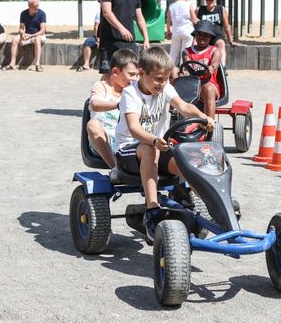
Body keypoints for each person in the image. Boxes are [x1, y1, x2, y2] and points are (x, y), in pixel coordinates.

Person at [114, 46, 214, 243]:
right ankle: (152, 210)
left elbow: (184, 107)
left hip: (159, 147)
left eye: (166, 79)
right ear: (142, 73)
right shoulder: (130, 94)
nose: (162, 84)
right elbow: (134, 128)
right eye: (158, 79)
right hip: (129, 151)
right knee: (150, 149)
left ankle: (211, 203)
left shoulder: (166, 88)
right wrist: (153, 140)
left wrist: (204, 117)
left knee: (185, 158)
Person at [88, 49, 139, 168]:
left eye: (137, 75)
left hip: (129, 140)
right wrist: (120, 104)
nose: (135, 79)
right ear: (115, 72)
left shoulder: (135, 91)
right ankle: (115, 169)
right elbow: (94, 105)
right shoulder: (101, 86)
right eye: (131, 74)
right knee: (92, 124)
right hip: (105, 141)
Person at [97, 0, 150, 74]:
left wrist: (146, 39)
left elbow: (140, 19)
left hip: (129, 43)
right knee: (109, 75)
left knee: (133, 73)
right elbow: (107, 12)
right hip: (110, 42)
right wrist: (121, 29)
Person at [180, 20, 221, 120]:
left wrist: (212, 67)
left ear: (210, 37)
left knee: (208, 89)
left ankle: (209, 124)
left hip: (208, 83)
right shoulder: (187, 52)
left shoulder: (214, 51)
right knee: (176, 76)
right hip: (192, 85)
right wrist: (184, 72)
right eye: (200, 34)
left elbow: (215, 62)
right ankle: (176, 118)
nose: (202, 37)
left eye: (206, 35)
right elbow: (187, 64)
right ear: (195, 36)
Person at [2, 0, 46, 72]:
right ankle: (12, 64)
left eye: (38, 5)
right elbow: (21, 28)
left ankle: (37, 64)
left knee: (37, 39)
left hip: (38, 35)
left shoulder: (42, 13)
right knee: (15, 39)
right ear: (29, 6)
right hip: (27, 34)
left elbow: (42, 31)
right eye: (35, 6)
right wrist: (23, 34)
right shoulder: (23, 13)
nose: (37, 7)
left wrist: (31, 35)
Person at [196, 0, 241, 67]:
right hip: (203, 35)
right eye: (208, 0)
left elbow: (227, 25)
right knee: (195, 44)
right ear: (205, 1)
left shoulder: (220, 9)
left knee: (221, 43)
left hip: (216, 35)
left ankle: (222, 67)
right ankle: (195, 65)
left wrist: (231, 40)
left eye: (211, 0)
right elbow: (194, 22)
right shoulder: (199, 9)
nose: (210, 2)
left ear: (215, 0)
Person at [165, 0, 197, 66]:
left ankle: (168, 72)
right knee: (185, 54)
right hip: (187, 32)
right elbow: (194, 20)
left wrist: (168, 31)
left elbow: (168, 20)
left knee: (173, 54)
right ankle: (184, 73)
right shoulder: (189, 5)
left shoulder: (172, 6)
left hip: (176, 32)